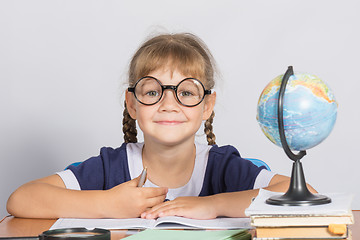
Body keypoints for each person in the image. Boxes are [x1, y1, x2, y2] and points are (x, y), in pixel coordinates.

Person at [7, 33, 299, 220]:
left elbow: (298, 193)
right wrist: (107, 204)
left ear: (206, 106)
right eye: (152, 92)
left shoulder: (222, 166)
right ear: (132, 104)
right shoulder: (113, 166)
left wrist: (215, 205)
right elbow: (21, 199)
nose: (169, 104)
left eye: (186, 92)